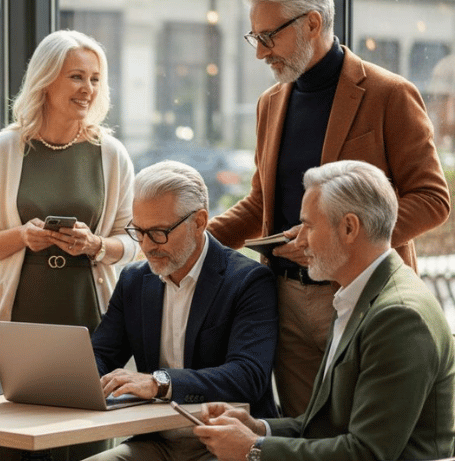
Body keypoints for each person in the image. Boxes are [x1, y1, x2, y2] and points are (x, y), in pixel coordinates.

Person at [206, 0, 451, 418]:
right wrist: (194, 244)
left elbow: (434, 200)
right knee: (306, 435)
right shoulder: (270, 102)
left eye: (267, 37)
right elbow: (261, 204)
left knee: (366, 439)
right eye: (254, 38)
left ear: (312, 23)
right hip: (285, 301)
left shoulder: (389, 94)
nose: (260, 53)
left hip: (365, 297)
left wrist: (340, 244)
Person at [195, 160, 455, 461]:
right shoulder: (357, 295)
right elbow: (325, 427)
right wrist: (258, 428)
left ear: (349, 227)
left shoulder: (398, 317)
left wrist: (253, 450)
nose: (299, 239)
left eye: (307, 225)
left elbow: (366, 453)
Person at [0, 29, 138, 460]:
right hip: (22, 317)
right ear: (46, 79)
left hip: (90, 318)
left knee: (87, 440)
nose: (88, 89)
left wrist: (95, 245)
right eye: (76, 76)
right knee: (19, 438)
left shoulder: (111, 154)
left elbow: (134, 243)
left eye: (96, 79)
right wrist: (22, 236)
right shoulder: (3, 149)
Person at [83, 161, 279, 461]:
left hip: (224, 442)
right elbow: (102, 354)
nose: (147, 246)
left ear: (199, 222)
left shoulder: (249, 281)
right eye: (139, 231)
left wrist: (160, 383)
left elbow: (247, 377)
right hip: (155, 442)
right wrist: (73, 379)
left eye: (159, 232)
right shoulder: (134, 280)